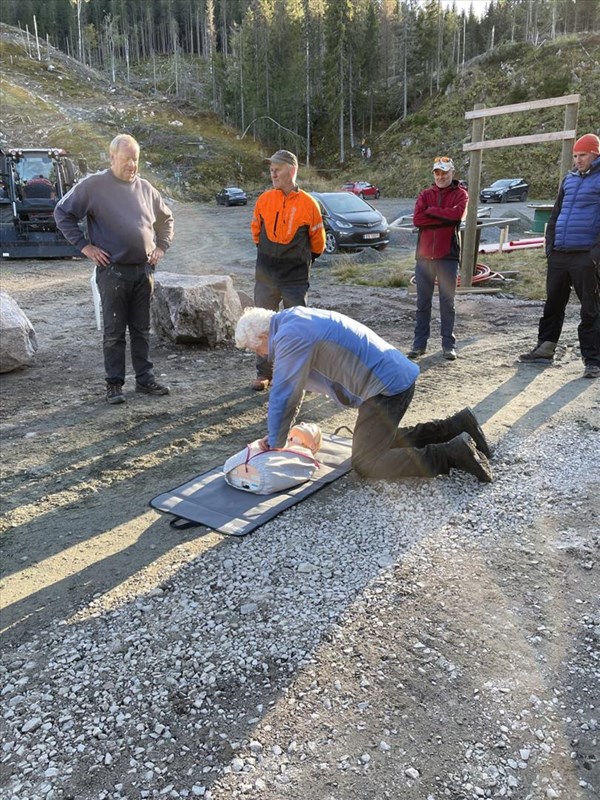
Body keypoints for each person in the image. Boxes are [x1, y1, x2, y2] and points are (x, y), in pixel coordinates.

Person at [235, 306, 493, 483]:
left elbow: (284, 392)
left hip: (386, 388)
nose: (260, 355)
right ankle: (458, 425)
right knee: (378, 442)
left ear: (264, 334)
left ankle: (450, 454)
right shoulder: (293, 321)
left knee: (366, 462)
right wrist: (279, 432)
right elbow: (296, 386)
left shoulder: (290, 336)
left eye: (255, 348)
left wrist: (277, 440)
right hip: (391, 378)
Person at [55, 134, 175, 404]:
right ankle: (114, 384)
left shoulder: (146, 189)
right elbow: (62, 213)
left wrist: (161, 248)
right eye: (126, 159)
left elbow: (166, 220)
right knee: (114, 331)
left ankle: (145, 379)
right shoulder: (94, 186)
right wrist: (86, 247)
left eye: (135, 159)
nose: (131, 164)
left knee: (142, 330)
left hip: (143, 272)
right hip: (113, 272)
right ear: (112, 158)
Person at [520, 133, 600, 379]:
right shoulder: (569, 179)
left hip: (586, 256)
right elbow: (555, 215)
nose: (577, 160)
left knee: (591, 309)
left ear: (595, 154)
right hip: (560, 254)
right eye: (575, 155)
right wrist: (550, 247)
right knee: (553, 302)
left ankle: (593, 360)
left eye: (582, 155)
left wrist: (594, 255)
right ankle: (545, 347)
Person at [250, 149, 326, 391]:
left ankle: (295, 375)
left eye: (278, 168)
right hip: (266, 275)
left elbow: (318, 243)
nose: (272, 172)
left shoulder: (309, 204)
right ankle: (264, 373)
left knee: (296, 327)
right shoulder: (264, 200)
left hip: (295, 277)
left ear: (291, 171)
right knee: (263, 324)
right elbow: (255, 233)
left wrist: (301, 262)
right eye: (271, 168)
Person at [407, 156, 468, 362]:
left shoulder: (461, 194)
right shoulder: (425, 194)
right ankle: (419, 344)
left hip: (447, 257)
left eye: (444, 172)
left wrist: (431, 212)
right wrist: (443, 216)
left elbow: (457, 216)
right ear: (434, 174)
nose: (441, 176)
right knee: (422, 303)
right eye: (437, 173)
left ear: (452, 172)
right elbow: (417, 219)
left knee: (447, 303)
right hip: (423, 258)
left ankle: (448, 345)